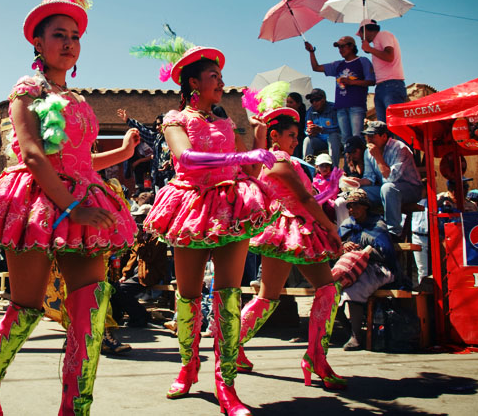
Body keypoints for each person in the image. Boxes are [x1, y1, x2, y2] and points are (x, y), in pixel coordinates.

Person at [0, 0, 139, 415]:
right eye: (58, 34)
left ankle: (74, 408)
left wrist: (121, 152)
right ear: (38, 42)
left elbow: (81, 161)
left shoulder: (82, 101)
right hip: (39, 202)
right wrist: (70, 208)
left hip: (79, 195)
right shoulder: (26, 88)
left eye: (75, 36)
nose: (69, 42)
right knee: (26, 306)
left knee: (91, 307)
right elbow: (37, 155)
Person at [140, 41, 277, 416]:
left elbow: (249, 171)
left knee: (228, 296)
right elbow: (186, 158)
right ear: (194, 84)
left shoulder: (224, 122)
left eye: (220, 76)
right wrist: (241, 153)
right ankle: (188, 368)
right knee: (187, 296)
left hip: (232, 204)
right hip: (191, 205)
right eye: (213, 76)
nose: (221, 82)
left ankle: (227, 384)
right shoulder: (174, 118)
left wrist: (259, 138)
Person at [239, 81, 346, 390]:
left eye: (296, 137)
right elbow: (306, 199)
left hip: (280, 231)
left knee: (268, 297)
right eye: (291, 136)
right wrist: (331, 229)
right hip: (293, 228)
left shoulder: (265, 162)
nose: (295, 141)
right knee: (327, 289)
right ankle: (315, 357)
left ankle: (230, 348)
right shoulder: (280, 160)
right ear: (274, 135)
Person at [335, 189, 397, 351]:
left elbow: (386, 254)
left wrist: (364, 251)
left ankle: (356, 338)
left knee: (353, 290)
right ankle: (352, 331)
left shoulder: (377, 225)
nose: (351, 210)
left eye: (356, 206)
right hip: (351, 268)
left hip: (377, 268)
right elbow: (334, 247)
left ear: (365, 207)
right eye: (349, 206)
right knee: (329, 292)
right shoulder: (348, 225)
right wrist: (344, 246)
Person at [356, 121, 423, 239]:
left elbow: (391, 178)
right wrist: (356, 183)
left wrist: (378, 157)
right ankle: (365, 229)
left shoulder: (400, 148)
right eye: (368, 136)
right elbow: (369, 178)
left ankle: (394, 232)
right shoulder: (368, 152)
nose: (369, 140)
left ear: (384, 136)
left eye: (372, 136)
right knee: (359, 193)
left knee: (388, 188)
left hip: (410, 189)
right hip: (385, 189)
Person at [305, 36, 374, 143]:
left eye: (342, 46)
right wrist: (311, 52)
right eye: (338, 47)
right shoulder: (338, 64)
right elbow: (316, 68)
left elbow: (371, 81)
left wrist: (352, 82)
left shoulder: (362, 61)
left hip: (356, 105)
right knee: (345, 139)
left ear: (351, 46)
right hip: (341, 107)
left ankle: (360, 160)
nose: (340, 50)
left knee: (357, 137)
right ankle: (348, 160)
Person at [357, 19, 407, 122]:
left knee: (395, 124)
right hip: (382, 87)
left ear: (365, 30)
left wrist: (370, 49)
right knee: (384, 128)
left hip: (391, 85)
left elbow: (389, 56)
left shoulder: (383, 35)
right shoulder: (376, 43)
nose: (361, 37)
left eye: (361, 34)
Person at [117, 109, 175, 191]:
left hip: (171, 178)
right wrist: (128, 120)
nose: (157, 127)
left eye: (160, 124)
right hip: (157, 178)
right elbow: (143, 130)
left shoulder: (175, 139)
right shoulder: (156, 138)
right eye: (157, 125)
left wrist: (170, 161)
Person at [303, 88, 342, 167]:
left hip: (336, 141)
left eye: (316, 100)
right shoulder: (310, 111)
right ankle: (307, 169)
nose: (314, 103)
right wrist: (309, 132)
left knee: (333, 137)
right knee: (307, 140)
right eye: (311, 101)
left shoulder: (334, 108)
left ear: (324, 99)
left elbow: (340, 128)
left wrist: (322, 130)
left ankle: (334, 169)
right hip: (320, 141)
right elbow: (305, 129)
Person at [286, 92, 307, 158]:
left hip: (300, 139)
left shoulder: (304, 116)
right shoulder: (285, 116)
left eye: (291, 102)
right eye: (287, 102)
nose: (288, 105)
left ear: (298, 104)